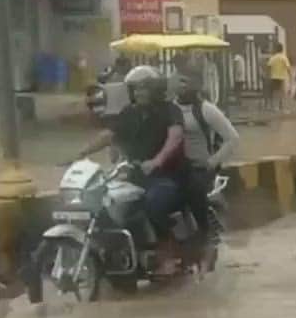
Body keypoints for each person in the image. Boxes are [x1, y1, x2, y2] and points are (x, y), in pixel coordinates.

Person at [74, 65, 187, 274]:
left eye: (144, 88)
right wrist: (81, 152)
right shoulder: (129, 112)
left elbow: (175, 137)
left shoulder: (170, 110)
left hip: (167, 176)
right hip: (135, 176)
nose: (139, 93)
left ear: (155, 89)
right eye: (135, 89)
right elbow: (109, 136)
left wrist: (157, 161)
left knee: (154, 204)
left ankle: (168, 251)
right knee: (109, 202)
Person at [176, 72, 239, 244]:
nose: (182, 86)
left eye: (186, 82)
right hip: (176, 166)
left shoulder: (206, 109)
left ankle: (206, 229)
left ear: (196, 86)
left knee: (193, 190)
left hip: (200, 167)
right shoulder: (170, 108)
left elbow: (232, 138)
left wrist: (212, 162)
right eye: (179, 82)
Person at [267, 42, 292, 113]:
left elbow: (268, 66)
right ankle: (282, 108)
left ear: (276, 49)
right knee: (281, 93)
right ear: (282, 49)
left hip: (274, 77)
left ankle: (275, 107)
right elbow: (288, 68)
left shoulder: (273, 58)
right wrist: (290, 77)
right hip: (281, 77)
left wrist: (268, 75)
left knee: (275, 92)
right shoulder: (284, 57)